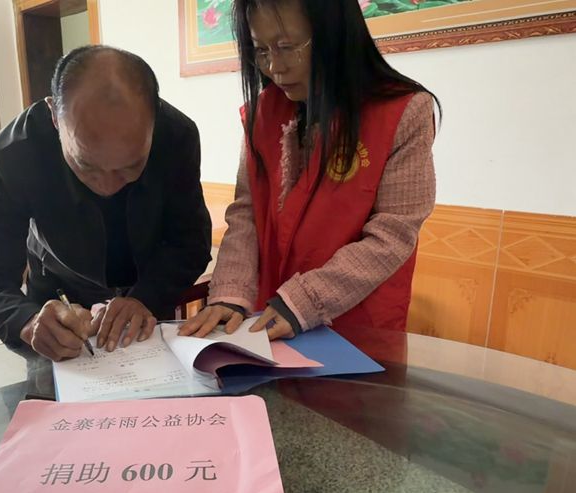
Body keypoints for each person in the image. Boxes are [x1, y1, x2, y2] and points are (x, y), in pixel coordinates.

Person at [181, 0, 438, 340]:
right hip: (271, 310)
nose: (275, 67)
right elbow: (246, 213)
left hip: (353, 319)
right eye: (261, 50)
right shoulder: (263, 113)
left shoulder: (402, 111)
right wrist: (231, 293)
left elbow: (394, 233)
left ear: (336, 35)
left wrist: (304, 300)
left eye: (287, 47)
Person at [0, 45, 211, 361]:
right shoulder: (15, 153)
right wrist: (28, 321)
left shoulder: (177, 136)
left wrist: (145, 298)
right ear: (55, 116)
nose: (107, 187)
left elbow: (190, 241)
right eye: (86, 166)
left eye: (130, 167)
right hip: (59, 305)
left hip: (149, 297)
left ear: (155, 119)